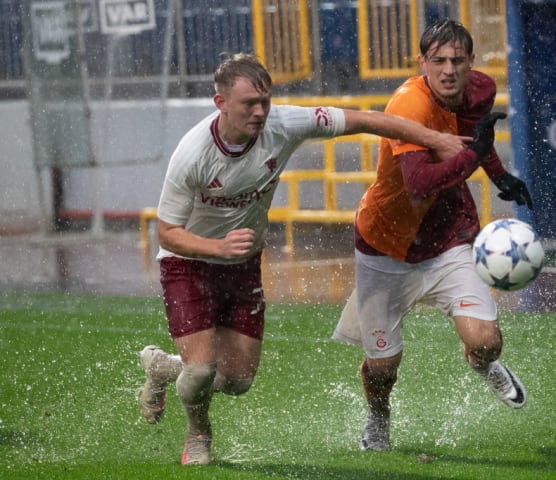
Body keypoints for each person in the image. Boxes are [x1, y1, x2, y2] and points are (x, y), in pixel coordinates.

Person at [137, 52, 472, 466]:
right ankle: (199, 435)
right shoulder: (193, 154)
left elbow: (368, 120)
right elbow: (167, 234)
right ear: (220, 103)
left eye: (266, 101)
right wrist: (218, 247)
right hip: (187, 263)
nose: (260, 112)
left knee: (237, 382)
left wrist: (434, 139)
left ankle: (163, 369)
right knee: (202, 371)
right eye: (248, 104)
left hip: (242, 265)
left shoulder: (284, 123)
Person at [331, 19, 533, 452]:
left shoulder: (480, 90)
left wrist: (499, 176)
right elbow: (421, 182)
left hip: (448, 240)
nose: (448, 70)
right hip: (385, 246)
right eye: (438, 60)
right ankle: (379, 416)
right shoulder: (408, 104)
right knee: (384, 367)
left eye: (457, 60)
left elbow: (472, 139)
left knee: (486, 341)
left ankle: (483, 364)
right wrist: (478, 155)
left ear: (471, 63)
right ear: (422, 63)